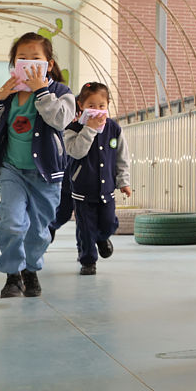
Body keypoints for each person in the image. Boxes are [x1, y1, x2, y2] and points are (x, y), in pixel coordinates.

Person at [0, 32, 75, 299]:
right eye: (22, 59)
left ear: (49, 64)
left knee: (38, 230)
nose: (29, 64)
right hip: (11, 169)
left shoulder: (61, 93)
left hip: (46, 173)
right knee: (11, 222)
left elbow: (61, 120)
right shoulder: (9, 94)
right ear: (14, 64)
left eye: (36, 59)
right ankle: (13, 275)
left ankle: (31, 270)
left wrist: (41, 91)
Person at [61, 82, 132, 275]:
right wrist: (90, 129)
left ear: (108, 105)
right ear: (81, 105)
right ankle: (88, 261)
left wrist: (123, 181)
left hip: (107, 189)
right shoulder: (72, 128)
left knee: (109, 223)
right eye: (91, 105)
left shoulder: (114, 128)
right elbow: (76, 152)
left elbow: (122, 157)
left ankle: (102, 238)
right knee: (85, 228)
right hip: (82, 190)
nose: (97, 110)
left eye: (102, 105)